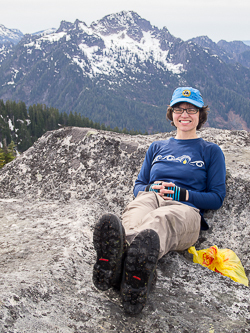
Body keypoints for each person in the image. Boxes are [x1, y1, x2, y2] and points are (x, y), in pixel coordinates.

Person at [92, 87, 226, 315]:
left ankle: (120, 262)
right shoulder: (157, 148)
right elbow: (138, 186)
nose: (185, 114)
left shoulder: (211, 151)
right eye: (179, 109)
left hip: (185, 209)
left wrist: (181, 194)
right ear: (171, 114)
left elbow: (216, 197)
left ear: (200, 115)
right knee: (136, 210)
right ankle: (132, 270)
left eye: (191, 109)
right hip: (151, 198)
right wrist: (149, 189)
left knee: (159, 220)